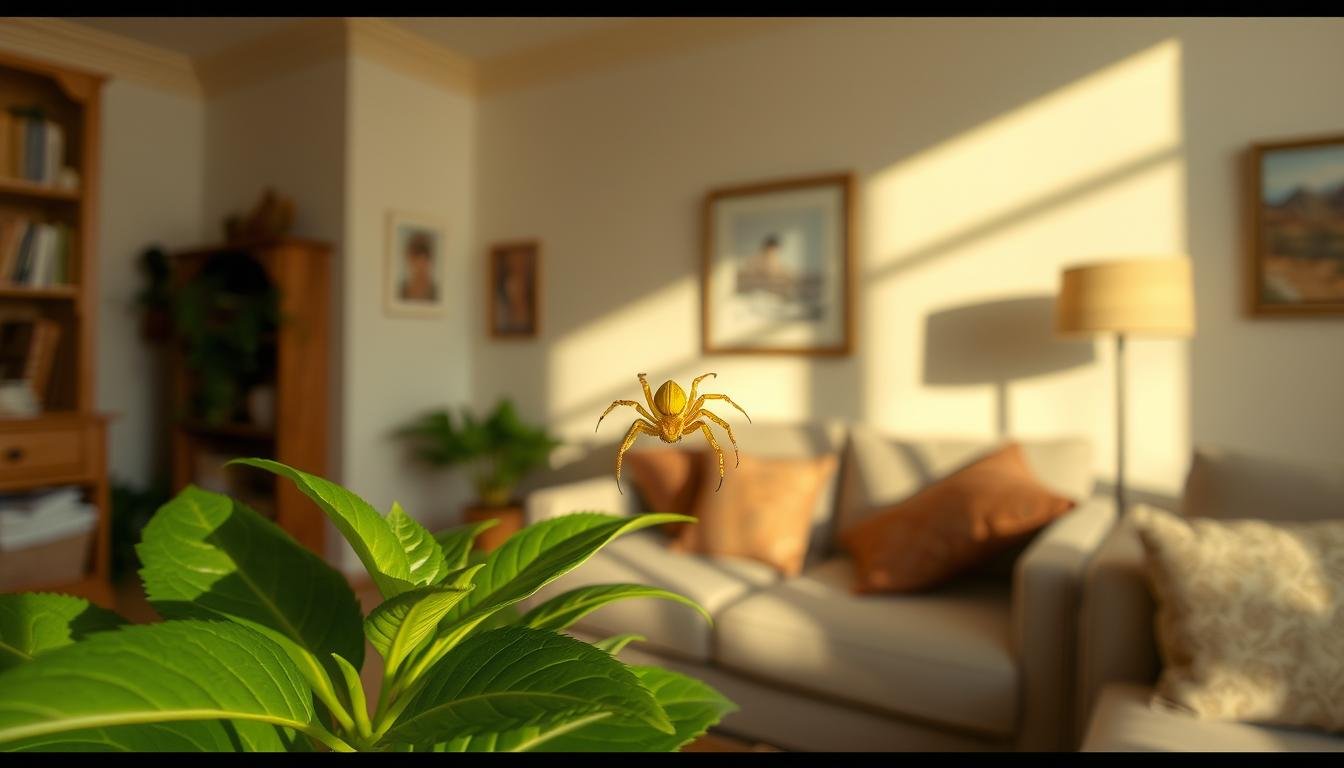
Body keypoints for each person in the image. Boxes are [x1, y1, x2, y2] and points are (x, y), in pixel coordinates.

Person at [399, 231, 438, 302]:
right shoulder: (402, 291)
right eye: (414, 259)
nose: (419, 266)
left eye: (424, 259)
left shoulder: (435, 292)